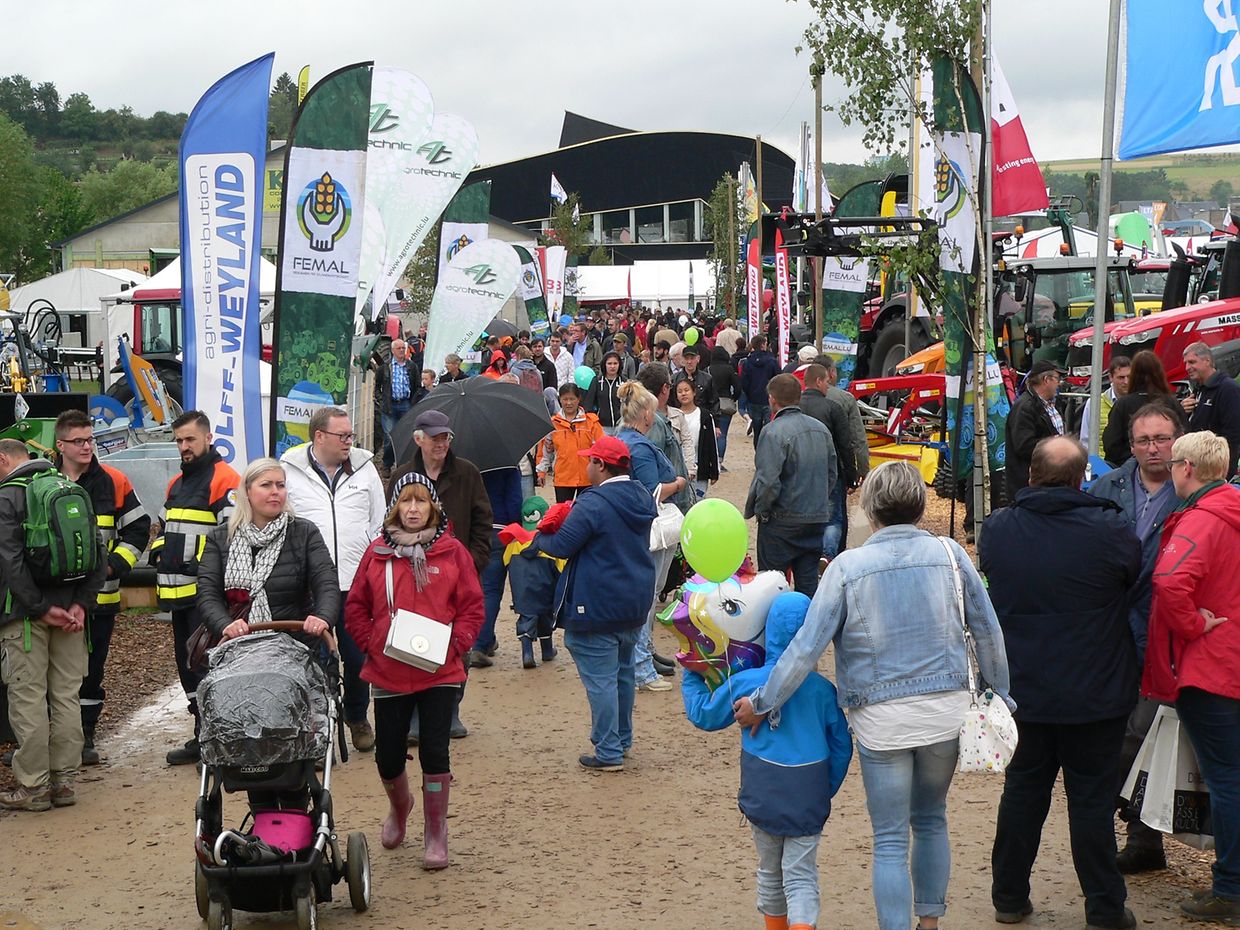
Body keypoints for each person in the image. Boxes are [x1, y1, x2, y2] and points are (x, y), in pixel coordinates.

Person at [735, 461, 1011, 930]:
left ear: (869, 508)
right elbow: (988, 630)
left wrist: (764, 700)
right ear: (920, 505)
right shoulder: (950, 554)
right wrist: (999, 697)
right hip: (946, 711)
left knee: (887, 839)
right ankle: (930, 922)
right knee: (930, 819)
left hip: (881, 719)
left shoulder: (848, 567)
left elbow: (806, 649)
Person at [981, 436, 1142, 930]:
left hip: (1024, 688)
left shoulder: (998, 529)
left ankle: (1009, 896)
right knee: (1091, 802)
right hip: (1095, 689)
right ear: (1081, 479)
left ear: (1030, 476)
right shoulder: (1111, 529)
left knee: (1024, 793)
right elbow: (1132, 578)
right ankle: (1104, 907)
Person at [682, 591, 852, 930]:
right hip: (807, 792)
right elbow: (841, 747)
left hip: (763, 791)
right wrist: (823, 790)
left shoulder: (748, 682)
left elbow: (704, 714)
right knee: (801, 876)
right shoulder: (821, 690)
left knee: (770, 871)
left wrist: (694, 675)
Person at [345, 473, 484, 867]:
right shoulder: (376, 554)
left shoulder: (452, 552)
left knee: (435, 752)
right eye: (405, 502)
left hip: (439, 671)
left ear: (433, 508)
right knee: (388, 757)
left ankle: (436, 833)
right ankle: (400, 805)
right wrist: (372, 642)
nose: (412, 510)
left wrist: (455, 645)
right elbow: (356, 606)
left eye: (420, 502)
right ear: (394, 508)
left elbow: (472, 606)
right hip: (389, 670)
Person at [1144, 430, 1240, 924]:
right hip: (1233, 660)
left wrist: (1193, 624)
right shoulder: (1233, 509)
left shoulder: (1202, 520)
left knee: (1227, 780)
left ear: (1186, 468)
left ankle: (1230, 889)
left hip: (1211, 666)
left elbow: (1168, 580)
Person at [1090, 403, 1183, 875]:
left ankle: (1140, 831)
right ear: (1131, 445)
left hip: (1165, 634)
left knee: (1145, 735)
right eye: (1145, 440)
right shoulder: (1105, 488)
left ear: (1178, 440)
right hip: (1108, 632)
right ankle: (1138, 840)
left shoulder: (1192, 493)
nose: (1153, 448)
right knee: (1112, 732)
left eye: (1162, 438)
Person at [526, 436, 656, 771]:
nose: (586, 465)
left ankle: (609, 750)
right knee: (623, 674)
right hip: (634, 600)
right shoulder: (641, 495)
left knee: (600, 679)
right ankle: (622, 741)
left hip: (597, 603)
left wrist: (537, 536)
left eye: (590, 460)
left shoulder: (594, 502)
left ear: (600, 465)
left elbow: (562, 546)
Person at [0, 439, 106, 812]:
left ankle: (33, 787)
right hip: (72, 616)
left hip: (26, 618)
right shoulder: (68, 488)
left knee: (28, 698)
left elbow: (10, 563)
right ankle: (64, 783)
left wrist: (40, 608)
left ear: (3, 459)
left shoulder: (9, 496)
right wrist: (80, 603)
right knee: (65, 697)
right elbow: (99, 552)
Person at [281, 406, 387, 753]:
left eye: (350, 435)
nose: (349, 441)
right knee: (312, 659)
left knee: (358, 658)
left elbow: (378, 523)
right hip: (311, 588)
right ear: (319, 437)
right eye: (342, 436)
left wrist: (373, 569)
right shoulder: (289, 471)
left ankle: (357, 716)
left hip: (357, 583)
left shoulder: (364, 469)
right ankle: (316, 729)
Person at [48, 410, 150, 767]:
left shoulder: (114, 481)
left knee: (92, 669)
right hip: (54, 601)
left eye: (90, 439)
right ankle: (53, 739)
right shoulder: (44, 481)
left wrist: (113, 566)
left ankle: (85, 734)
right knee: (52, 671)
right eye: (78, 441)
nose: (87, 446)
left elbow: (138, 530)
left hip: (100, 599)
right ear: (60, 445)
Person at [387, 409, 491, 739]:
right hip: (413, 574)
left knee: (457, 640)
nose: (442, 443)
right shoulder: (402, 476)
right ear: (419, 440)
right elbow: (390, 524)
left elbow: (483, 521)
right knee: (415, 640)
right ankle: (419, 711)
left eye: (446, 437)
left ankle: (451, 708)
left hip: (458, 573)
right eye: (435, 438)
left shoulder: (467, 473)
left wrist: (473, 562)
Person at [152, 411, 241, 766]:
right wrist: (162, 558)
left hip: (206, 596)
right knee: (187, 667)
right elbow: (163, 529)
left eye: (190, 439)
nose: (184, 447)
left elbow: (231, 538)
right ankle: (201, 734)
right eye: (178, 441)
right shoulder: (177, 483)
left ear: (207, 438)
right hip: (176, 595)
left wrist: (204, 572)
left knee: (209, 666)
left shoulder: (225, 479)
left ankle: (217, 740)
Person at [616, 381, 689, 694]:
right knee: (645, 598)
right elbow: (652, 491)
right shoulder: (641, 446)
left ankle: (640, 661)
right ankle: (642, 667)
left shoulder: (620, 438)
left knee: (641, 598)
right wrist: (678, 484)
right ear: (646, 414)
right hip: (650, 529)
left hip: (632, 527)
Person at [745, 374, 835, 597]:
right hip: (815, 517)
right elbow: (832, 474)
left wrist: (763, 511)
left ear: (772, 400)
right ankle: (807, 627)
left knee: (771, 586)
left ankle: (777, 629)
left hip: (781, 520)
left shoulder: (773, 431)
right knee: (808, 585)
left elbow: (768, 482)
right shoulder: (821, 430)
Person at [800, 364, 857, 563]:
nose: (828, 386)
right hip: (830, 472)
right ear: (818, 381)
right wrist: (852, 476)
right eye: (826, 381)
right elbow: (845, 444)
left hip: (800, 471)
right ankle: (828, 554)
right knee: (833, 518)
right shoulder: (834, 408)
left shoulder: (794, 407)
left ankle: (807, 552)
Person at [469, 464, 523, 669]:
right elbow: (514, 501)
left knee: (473, 589)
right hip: (499, 530)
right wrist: (516, 528)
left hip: (473, 531)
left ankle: (485, 637)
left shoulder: (464, 465)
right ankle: (480, 644)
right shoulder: (508, 465)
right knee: (490, 591)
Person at [500, 496, 561, 669]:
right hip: (546, 590)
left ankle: (527, 653)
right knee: (545, 619)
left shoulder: (513, 544)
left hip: (523, 593)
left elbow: (506, 562)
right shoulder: (550, 542)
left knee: (526, 619)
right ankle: (547, 651)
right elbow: (561, 567)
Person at [1102, 350, 1186, 466]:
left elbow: (1111, 444)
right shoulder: (1172, 403)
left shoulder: (1122, 405)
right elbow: (1185, 438)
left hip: (1131, 470)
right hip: (1168, 468)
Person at [1004, 359, 1065, 498]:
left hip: (1051, 480)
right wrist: (1055, 445)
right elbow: (1024, 446)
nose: (1059, 383)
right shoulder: (1025, 407)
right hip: (1029, 486)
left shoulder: (1053, 404)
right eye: (1057, 378)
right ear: (1046, 380)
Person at [537, 383, 605, 503]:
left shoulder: (591, 423)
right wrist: (541, 472)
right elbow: (545, 451)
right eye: (565, 399)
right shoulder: (553, 424)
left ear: (579, 399)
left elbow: (601, 450)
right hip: (563, 478)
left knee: (586, 515)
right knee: (563, 514)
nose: (569, 403)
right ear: (560, 400)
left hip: (587, 478)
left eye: (572, 399)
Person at [1181, 340, 1240, 478]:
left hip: (1216, 470)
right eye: (1186, 363)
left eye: (1192, 362)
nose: (1187, 367)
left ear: (1207, 361)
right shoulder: (1199, 389)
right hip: (1197, 465)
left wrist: (1223, 468)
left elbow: (1233, 434)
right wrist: (1184, 412)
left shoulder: (1228, 389)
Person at [378, 338, 421, 470]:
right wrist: (382, 400)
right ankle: (387, 464)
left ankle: (403, 465)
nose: (402, 350)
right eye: (399, 348)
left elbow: (417, 386)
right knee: (389, 437)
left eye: (403, 348)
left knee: (407, 435)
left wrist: (413, 402)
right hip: (389, 406)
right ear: (392, 350)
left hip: (406, 404)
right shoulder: (385, 367)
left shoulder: (411, 366)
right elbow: (377, 387)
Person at [674, 378, 719, 499]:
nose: (683, 393)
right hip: (679, 467)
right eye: (679, 391)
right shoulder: (674, 415)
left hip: (700, 466)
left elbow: (712, 443)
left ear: (694, 392)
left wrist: (714, 470)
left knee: (698, 500)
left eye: (686, 390)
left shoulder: (705, 416)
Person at [1081, 355, 1132, 456]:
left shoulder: (1138, 402)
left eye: (1129, 377)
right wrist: (1100, 469)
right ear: (1110, 377)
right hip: (1101, 467)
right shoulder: (1094, 403)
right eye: (1121, 377)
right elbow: (1085, 442)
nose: (1126, 382)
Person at [740, 334, 781, 449]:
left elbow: (744, 382)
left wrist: (748, 394)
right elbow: (778, 378)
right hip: (769, 399)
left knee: (757, 431)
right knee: (770, 430)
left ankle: (759, 454)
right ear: (763, 345)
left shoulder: (747, 363)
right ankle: (768, 454)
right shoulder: (772, 361)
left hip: (753, 399)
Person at [708, 345, 743, 469]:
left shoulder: (708, 369)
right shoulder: (729, 369)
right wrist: (733, 398)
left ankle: (710, 459)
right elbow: (738, 387)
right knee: (722, 434)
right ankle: (720, 461)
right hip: (725, 402)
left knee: (710, 433)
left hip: (710, 404)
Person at [583, 351, 628, 435]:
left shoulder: (625, 382)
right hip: (602, 426)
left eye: (615, 363)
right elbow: (588, 404)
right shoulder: (596, 381)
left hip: (622, 426)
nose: (612, 366)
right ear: (604, 365)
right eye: (609, 363)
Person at [671, 344, 721, 419]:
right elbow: (671, 401)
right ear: (682, 360)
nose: (689, 361)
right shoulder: (674, 379)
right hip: (680, 417)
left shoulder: (707, 379)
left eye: (692, 358)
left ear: (698, 359)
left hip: (702, 417)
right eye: (686, 358)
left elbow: (714, 402)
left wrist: (716, 423)